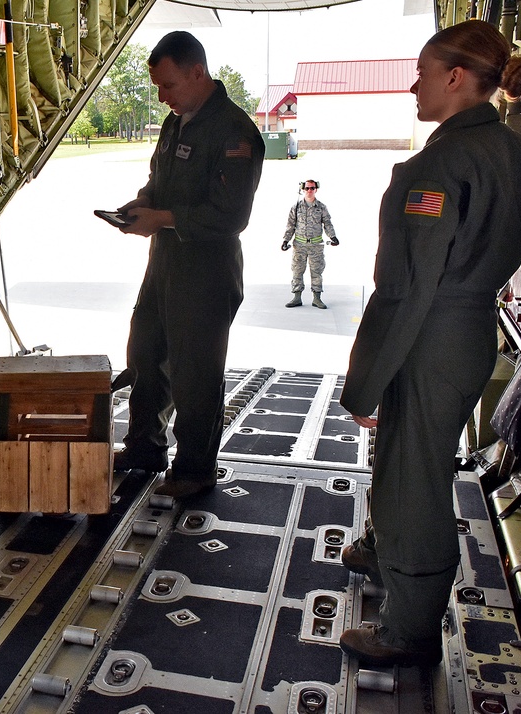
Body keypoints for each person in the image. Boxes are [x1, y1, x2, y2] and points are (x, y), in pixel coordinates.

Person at [339, 19, 521, 667]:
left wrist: (363, 383)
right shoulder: (515, 150)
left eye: (420, 72)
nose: (411, 85)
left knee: (412, 479)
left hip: (428, 336)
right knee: (408, 458)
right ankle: (379, 546)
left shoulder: (438, 164)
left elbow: (405, 289)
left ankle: (407, 628)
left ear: (454, 78)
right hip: (471, 331)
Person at [112, 31, 265, 498]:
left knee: (195, 372)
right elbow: (160, 183)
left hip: (206, 273)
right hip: (165, 265)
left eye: (169, 85)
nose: (163, 96)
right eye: (158, 87)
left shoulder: (235, 132)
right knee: (144, 354)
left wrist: (162, 218)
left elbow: (231, 215)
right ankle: (144, 447)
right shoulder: (175, 122)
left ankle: (195, 468)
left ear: (198, 73)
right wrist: (141, 205)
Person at [281, 179, 339, 309]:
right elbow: (290, 225)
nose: (309, 191)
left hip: (316, 245)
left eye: (312, 188)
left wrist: (333, 237)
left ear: (316, 189)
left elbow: (327, 223)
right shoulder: (296, 207)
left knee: (317, 271)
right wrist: (285, 240)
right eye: (307, 188)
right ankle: (297, 297)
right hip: (299, 245)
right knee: (297, 270)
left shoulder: (322, 207)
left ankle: (317, 298)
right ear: (303, 189)